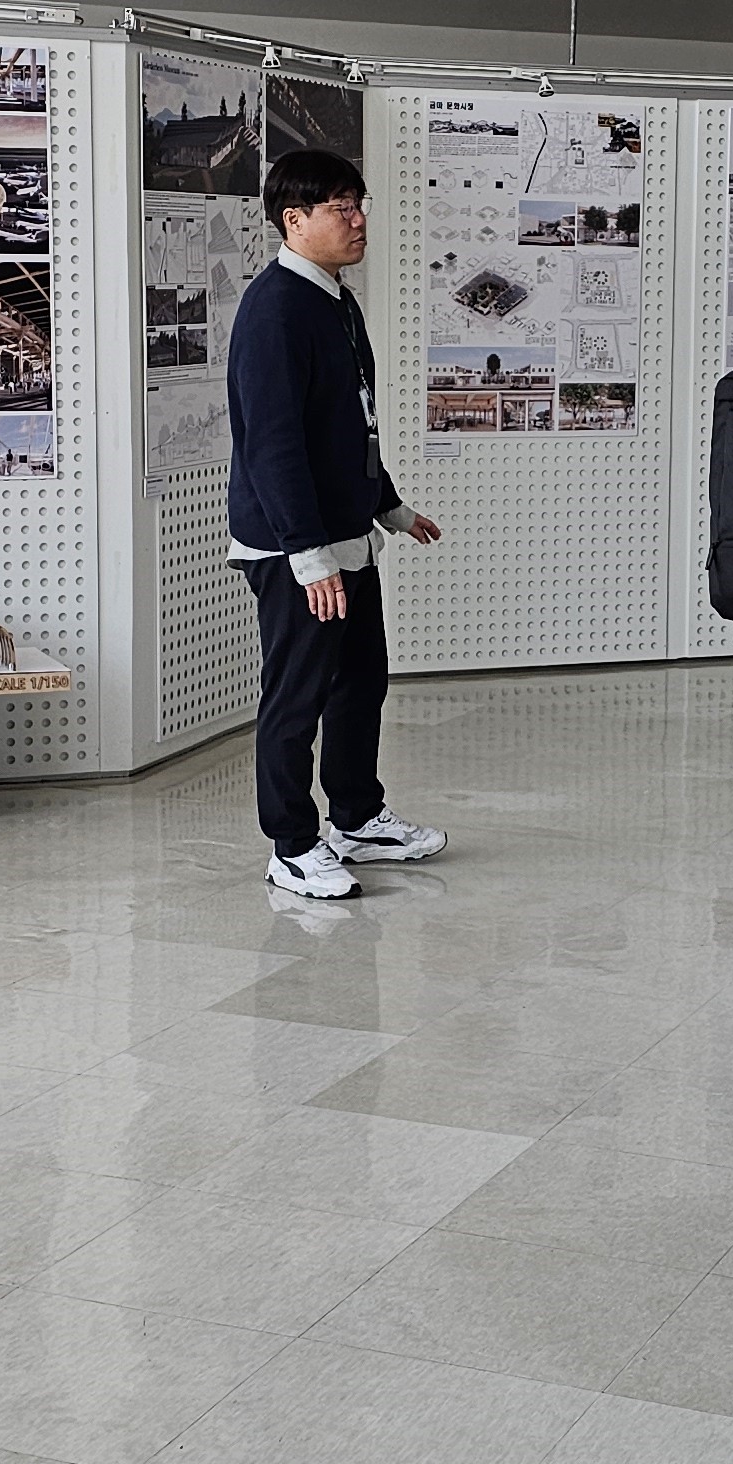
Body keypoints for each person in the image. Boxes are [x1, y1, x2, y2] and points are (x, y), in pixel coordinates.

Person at [226, 147, 448, 901]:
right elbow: (273, 443)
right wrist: (309, 553)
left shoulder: (335, 300)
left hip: (347, 535)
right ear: (294, 220)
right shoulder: (275, 309)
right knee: (297, 695)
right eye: (341, 208)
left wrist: (388, 505)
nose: (358, 222)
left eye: (360, 205)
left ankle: (356, 817)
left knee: (360, 681)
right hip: (299, 547)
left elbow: (353, 423)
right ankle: (291, 845)